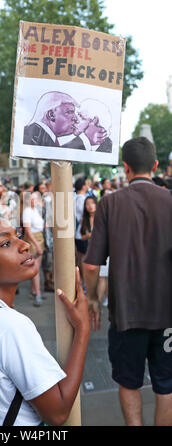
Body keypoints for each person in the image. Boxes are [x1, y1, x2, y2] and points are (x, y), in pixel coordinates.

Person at [0, 212, 90, 426]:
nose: (24, 245)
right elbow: (58, 412)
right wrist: (82, 329)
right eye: (5, 243)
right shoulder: (8, 326)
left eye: (18, 235)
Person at [83, 136, 172, 426]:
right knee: (167, 384)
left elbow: (92, 265)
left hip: (125, 315)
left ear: (126, 168)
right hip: (167, 312)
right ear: (156, 165)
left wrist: (93, 299)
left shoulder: (110, 203)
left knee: (128, 381)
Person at [22, 191, 45, 307]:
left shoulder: (36, 210)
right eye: (31, 199)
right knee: (35, 269)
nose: (33, 201)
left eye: (35, 199)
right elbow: (28, 231)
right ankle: (38, 294)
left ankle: (34, 290)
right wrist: (37, 245)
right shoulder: (27, 211)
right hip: (33, 240)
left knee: (37, 267)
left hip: (39, 238)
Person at [74, 177, 89, 282]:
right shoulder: (82, 199)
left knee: (80, 258)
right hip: (82, 232)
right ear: (83, 186)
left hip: (79, 232)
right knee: (83, 259)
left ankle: (82, 281)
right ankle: (83, 281)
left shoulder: (76, 198)